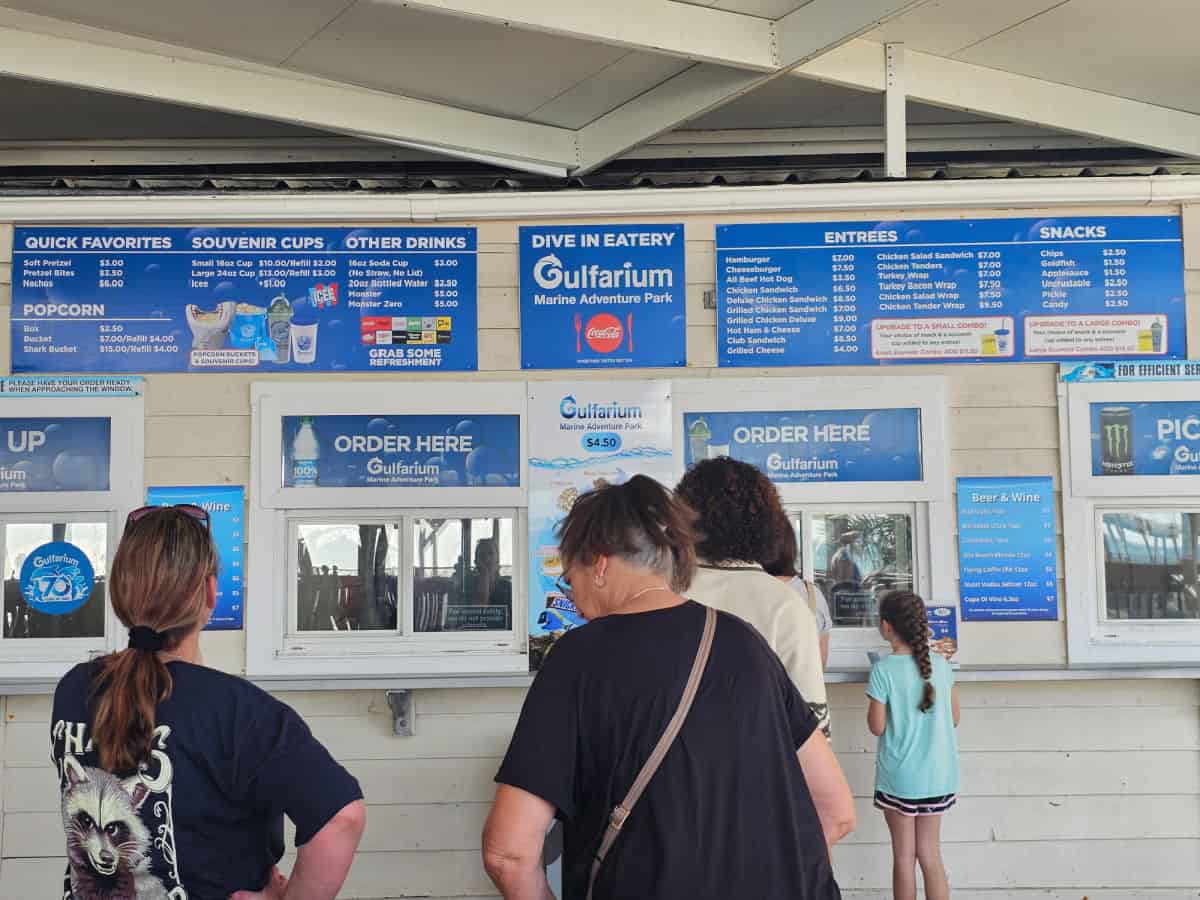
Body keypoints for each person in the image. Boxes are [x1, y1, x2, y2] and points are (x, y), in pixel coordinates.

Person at [483, 476, 854, 900]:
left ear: (599, 565)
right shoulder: (746, 643)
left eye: (570, 580)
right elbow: (836, 813)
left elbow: (508, 854)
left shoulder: (577, 659)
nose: (576, 602)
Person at [50, 505, 366, 900]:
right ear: (212, 591)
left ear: (120, 594)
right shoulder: (237, 712)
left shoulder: (74, 689)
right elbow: (342, 817)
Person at [676, 458, 830, 735]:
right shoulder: (786, 606)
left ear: (683, 519)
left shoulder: (661, 593)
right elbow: (812, 728)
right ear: (767, 522)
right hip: (758, 759)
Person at [867, 590, 960, 900]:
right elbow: (955, 718)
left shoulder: (883, 670)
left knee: (904, 857)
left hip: (901, 780)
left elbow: (876, 727)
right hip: (939, 777)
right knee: (930, 854)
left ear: (886, 626)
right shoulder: (942, 666)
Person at [762, 514, 833, 669]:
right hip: (800, 683)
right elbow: (820, 663)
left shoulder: (747, 592)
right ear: (791, 550)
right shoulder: (812, 594)